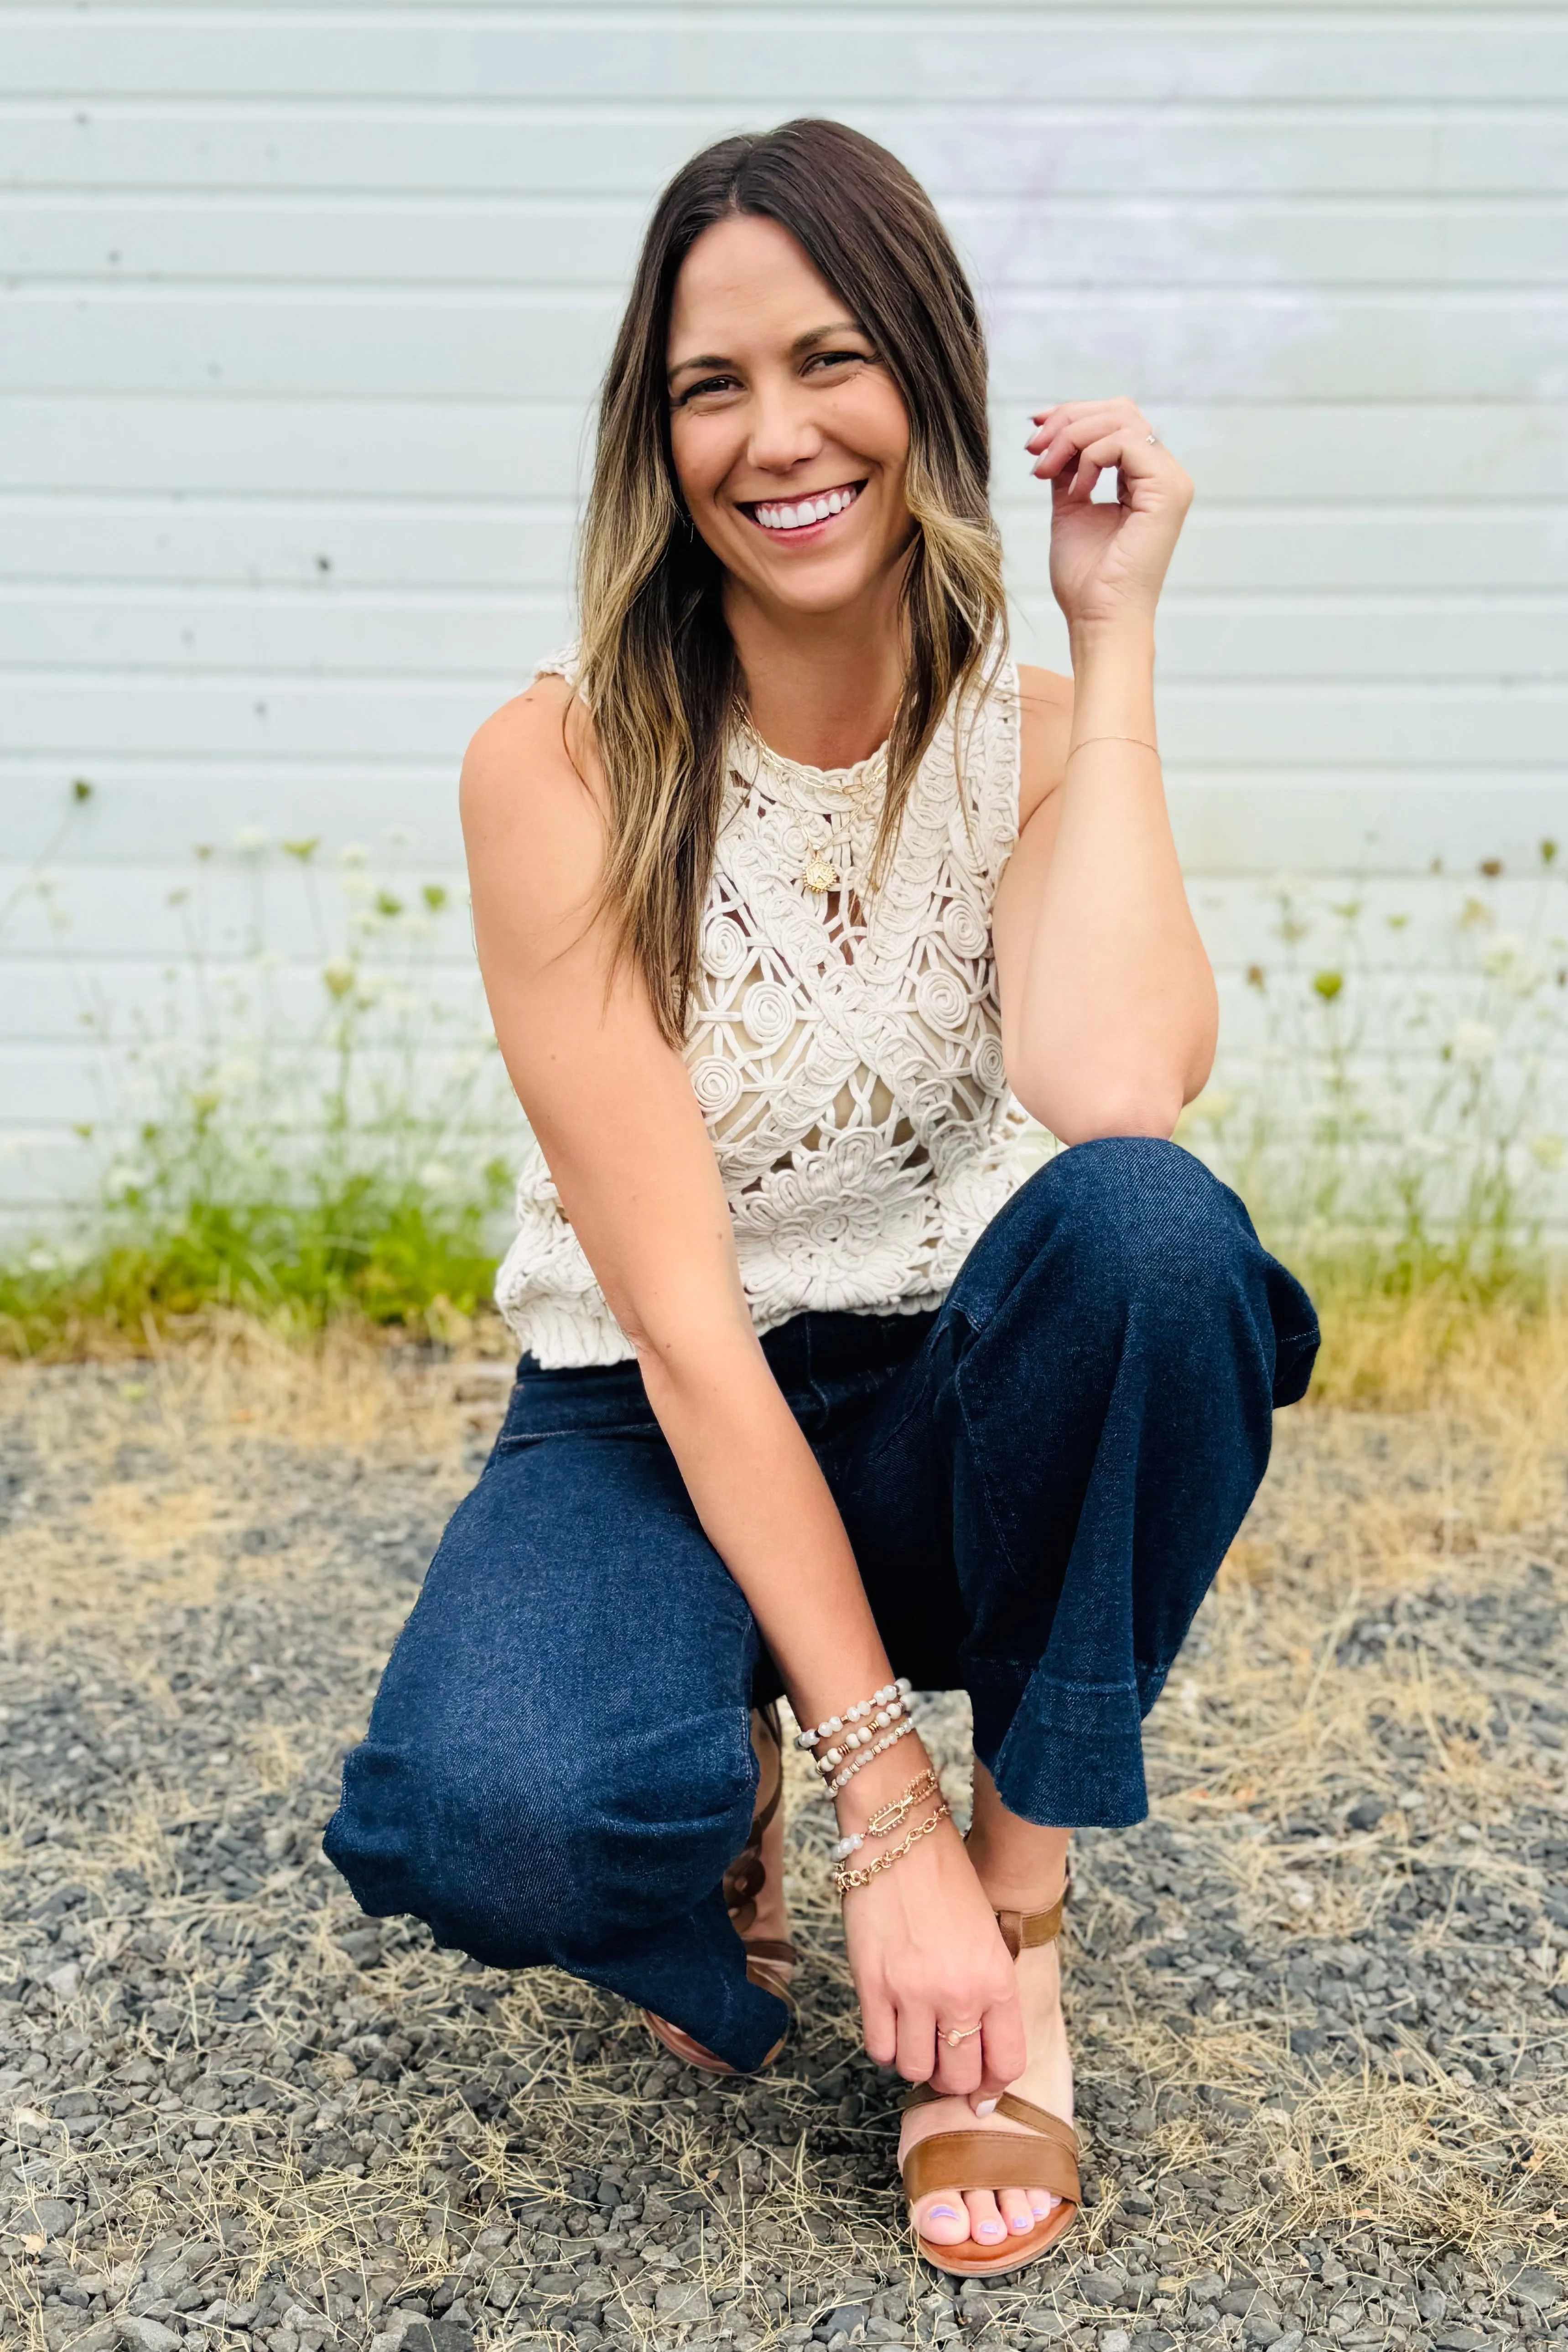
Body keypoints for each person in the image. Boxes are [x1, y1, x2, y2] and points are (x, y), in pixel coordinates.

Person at [325, 117, 1318, 2278]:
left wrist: (1115, 640)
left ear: (928, 381)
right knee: (511, 1811)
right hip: (653, 1409)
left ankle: (1017, 1927)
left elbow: (1115, 1086)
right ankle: (749, 1767)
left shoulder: (1038, 733)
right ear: (652, 430)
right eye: (710, 385)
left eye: (828, 360)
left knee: (1152, 1235)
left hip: (954, 1391)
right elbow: (681, 1314)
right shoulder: (560, 768)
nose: (776, 433)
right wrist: (877, 1797)